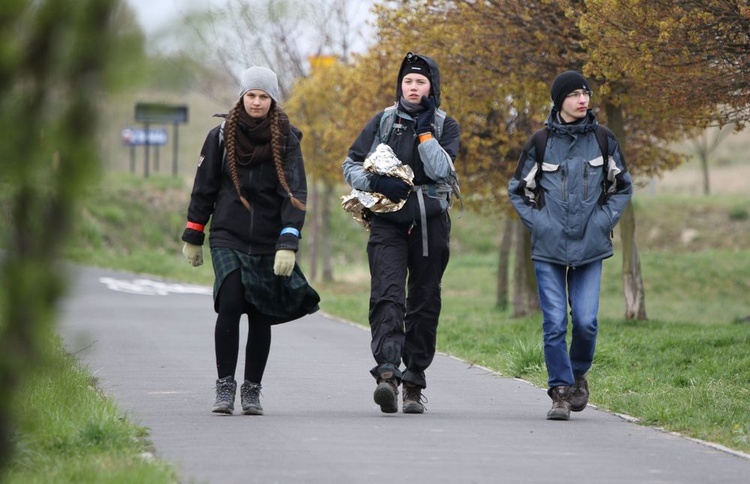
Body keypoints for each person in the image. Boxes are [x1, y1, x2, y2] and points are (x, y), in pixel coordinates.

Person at [181, 66, 320, 416]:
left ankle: (252, 390)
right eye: (251, 95)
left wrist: (288, 240)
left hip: (269, 239)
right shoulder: (219, 136)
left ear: (272, 100)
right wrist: (194, 234)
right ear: (241, 97)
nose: (256, 101)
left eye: (263, 96)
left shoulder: (288, 140)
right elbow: (204, 187)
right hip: (228, 234)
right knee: (229, 303)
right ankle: (225, 386)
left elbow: (296, 194)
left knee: (260, 313)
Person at [508, 70, 633, 420]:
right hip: (549, 248)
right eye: (575, 94)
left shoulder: (605, 140)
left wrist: (603, 221)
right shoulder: (540, 142)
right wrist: (540, 223)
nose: (583, 100)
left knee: (588, 321)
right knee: (554, 323)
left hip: (591, 246)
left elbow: (622, 186)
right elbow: (519, 189)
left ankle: (578, 373)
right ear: (559, 100)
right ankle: (560, 391)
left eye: (586, 94)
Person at [342, 52, 460, 414]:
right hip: (388, 223)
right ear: (400, 85)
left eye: (420, 82)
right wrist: (374, 181)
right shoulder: (383, 120)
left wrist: (425, 132)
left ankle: (413, 382)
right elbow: (350, 164)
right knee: (387, 296)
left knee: (424, 303)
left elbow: (443, 172)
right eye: (408, 81)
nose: (413, 87)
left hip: (430, 223)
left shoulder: (445, 126)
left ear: (432, 87)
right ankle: (388, 375)